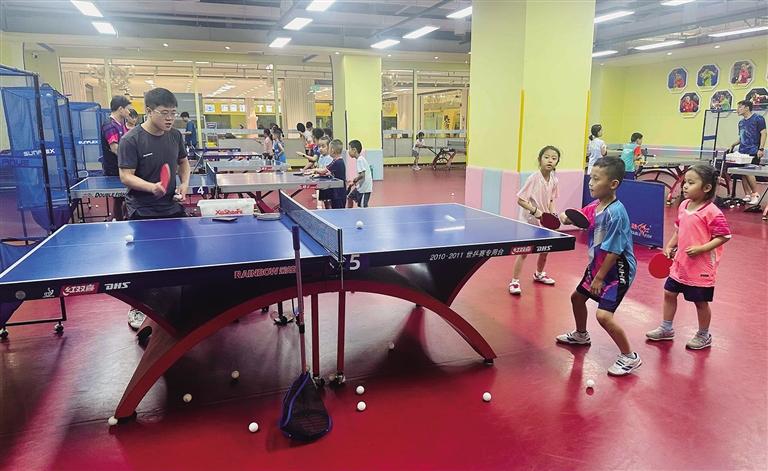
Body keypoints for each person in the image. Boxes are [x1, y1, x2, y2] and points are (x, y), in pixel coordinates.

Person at [556, 157, 641, 376]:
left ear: (613, 184)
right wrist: (564, 216)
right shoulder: (596, 206)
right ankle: (581, 335)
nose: (591, 183)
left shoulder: (616, 213)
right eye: (590, 178)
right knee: (577, 298)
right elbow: (578, 217)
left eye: (596, 179)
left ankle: (629, 357)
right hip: (598, 264)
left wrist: (599, 278)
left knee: (603, 316)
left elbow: (615, 251)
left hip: (617, 269)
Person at [118, 88, 191, 330]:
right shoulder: (131, 139)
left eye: (173, 113)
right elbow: (126, 176)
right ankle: (138, 307)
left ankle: (179, 302)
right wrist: (152, 187)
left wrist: (184, 184)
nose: (170, 118)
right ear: (149, 111)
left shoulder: (175, 135)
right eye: (164, 113)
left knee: (181, 256)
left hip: (171, 205)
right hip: (143, 208)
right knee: (144, 262)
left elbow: (183, 163)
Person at [646, 164, 731, 349]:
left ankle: (704, 335)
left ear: (706, 188)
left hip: (701, 268)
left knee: (700, 302)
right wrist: (670, 245)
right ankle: (666, 328)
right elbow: (680, 229)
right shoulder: (684, 205)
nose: (685, 186)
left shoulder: (712, 212)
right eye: (685, 182)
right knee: (669, 293)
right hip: (680, 263)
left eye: (691, 183)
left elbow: (724, 236)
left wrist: (701, 249)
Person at [508, 146, 560, 295]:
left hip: (544, 222)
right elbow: (520, 200)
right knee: (524, 252)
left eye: (554, 158)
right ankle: (514, 281)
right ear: (540, 160)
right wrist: (535, 211)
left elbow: (551, 200)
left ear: (557, 162)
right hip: (528, 221)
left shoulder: (554, 180)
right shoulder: (533, 178)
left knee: (545, 250)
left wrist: (553, 214)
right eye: (546, 157)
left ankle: (539, 274)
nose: (550, 160)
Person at [100, 95, 132, 221]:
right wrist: (132, 160)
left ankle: (121, 219)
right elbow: (115, 149)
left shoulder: (120, 124)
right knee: (119, 198)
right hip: (114, 169)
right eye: (127, 109)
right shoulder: (109, 125)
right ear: (120, 109)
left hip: (122, 167)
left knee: (125, 197)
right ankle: (119, 222)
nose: (129, 112)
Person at [728, 100, 766, 205]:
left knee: (749, 172)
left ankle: (755, 194)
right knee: (743, 173)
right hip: (742, 151)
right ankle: (747, 194)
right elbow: (742, 137)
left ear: (747, 108)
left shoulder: (758, 119)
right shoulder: (741, 123)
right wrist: (733, 144)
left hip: (754, 150)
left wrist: (761, 149)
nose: (737, 110)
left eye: (740, 107)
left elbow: (764, 133)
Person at [314, 139, 346, 209]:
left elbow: (323, 171)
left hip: (339, 193)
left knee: (338, 212)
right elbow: (332, 173)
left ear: (332, 150)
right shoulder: (337, 161)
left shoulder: (337, 162)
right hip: (337, 192)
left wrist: (313, 170)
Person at [346, 139, 373, 208]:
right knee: (350, 197)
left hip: (365, 189)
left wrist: (355, 179)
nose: (348, 151)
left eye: (349, 149)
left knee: (362, 206)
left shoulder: (360, 160)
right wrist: (354, 182)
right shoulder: (360, 159)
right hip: (360, 187)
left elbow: (362, 175)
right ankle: (349, 212)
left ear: (354, 150)